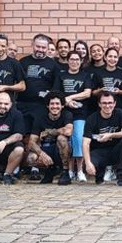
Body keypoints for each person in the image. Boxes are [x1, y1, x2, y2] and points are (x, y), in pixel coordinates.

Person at [18, 34, 60, 180]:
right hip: (22, 104)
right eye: (38, 46)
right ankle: (17, 167)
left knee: (37, 136)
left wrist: (50, 94)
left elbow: (56, 87)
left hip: (42, 106)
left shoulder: (53, 65)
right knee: (21, 134)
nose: (40, 50)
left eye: (43, 47)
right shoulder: (23, 62)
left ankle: (35, 167)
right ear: (32, 45)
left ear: (48, 48)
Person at [53, 50, 93, 182]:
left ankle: (80, 170)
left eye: (77, 59)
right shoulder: (61, 75)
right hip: (65, 114)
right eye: (72, 59)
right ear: (68, 61)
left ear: (81, 61)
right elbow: (56, 94)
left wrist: (69, 97)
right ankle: (69, 170)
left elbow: (87, 93)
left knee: (78, 139)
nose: (74, 62)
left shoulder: (85, 75)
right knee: (68, 141)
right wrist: (66, 102)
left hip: (80, 114)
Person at [83, 91, 122, 186]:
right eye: (104, 103)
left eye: (110, 103)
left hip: (115, 150)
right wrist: (88, 163)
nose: (107, 106)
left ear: (114, 103)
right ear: (99, 104)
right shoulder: (91, 119)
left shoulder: (119, 113)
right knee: (87, 165)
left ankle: (121, 175)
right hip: (99, 151)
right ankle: (99, 175)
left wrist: (110, 135)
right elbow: (85, 143)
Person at [25, 92, 73, 185]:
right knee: (30, 159)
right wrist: (42, 154)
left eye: (57, 104)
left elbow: (68, 131)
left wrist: (48, 132)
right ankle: (50, 170)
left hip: (60, 149)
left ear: (62, 106)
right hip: (45, 148)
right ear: (47, 106)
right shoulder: (40, 118)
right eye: (52, 104)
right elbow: (31, 142)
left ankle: (65, 172)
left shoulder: (67, 115)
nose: (55, 106)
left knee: (62, 138)